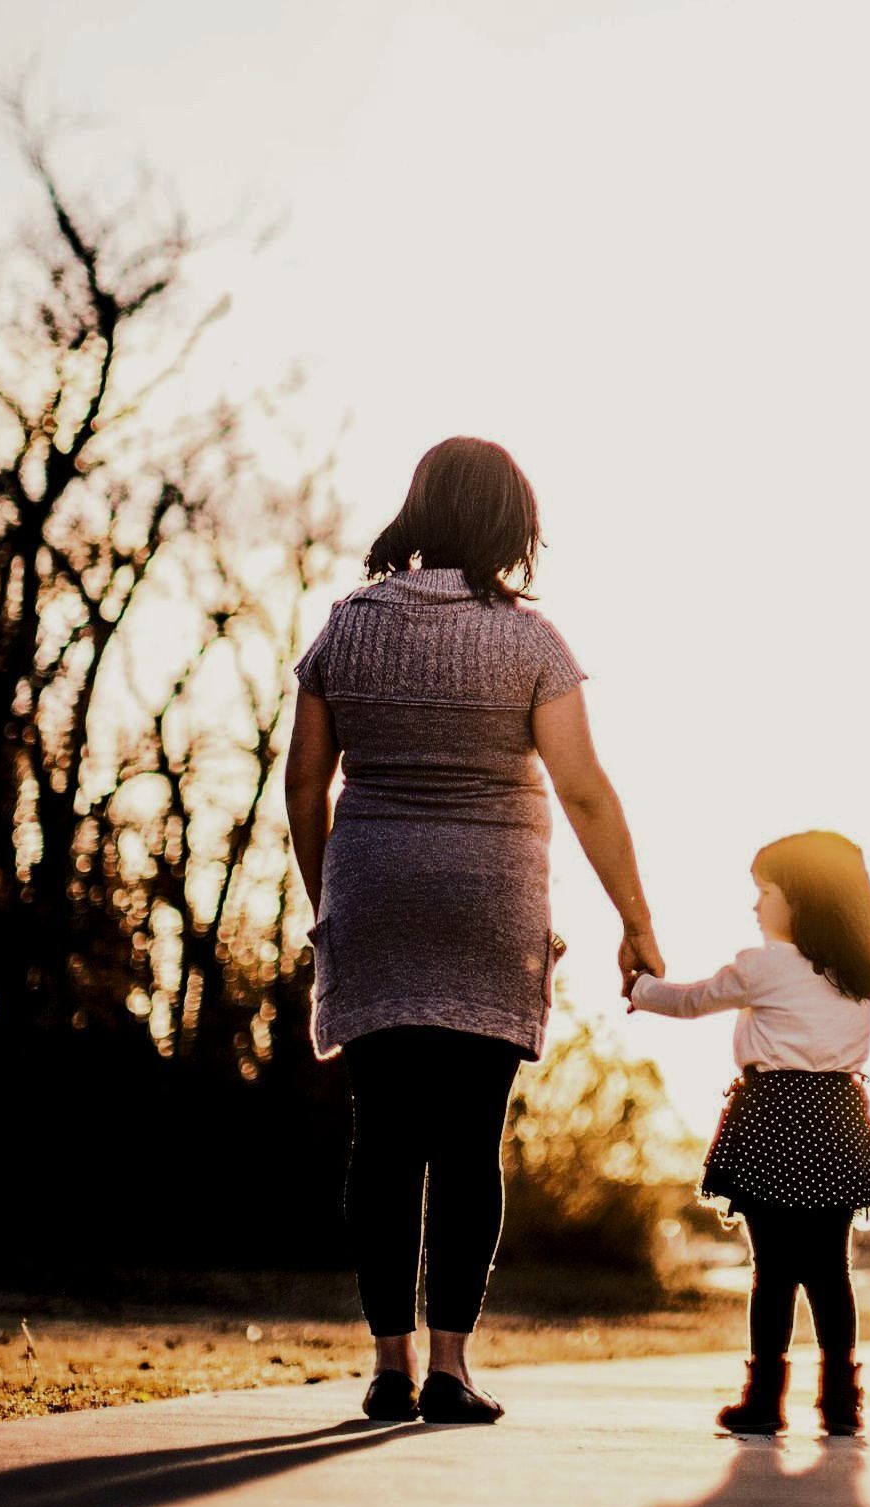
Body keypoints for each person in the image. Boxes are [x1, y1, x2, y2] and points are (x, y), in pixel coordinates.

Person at [285, 436, 663, 1426]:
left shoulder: (346, 626)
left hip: (374, 900)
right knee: (467, 1142)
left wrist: (331, 900)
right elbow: (584, 791)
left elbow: (305, 781)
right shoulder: (531, 642)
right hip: (490, 911)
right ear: (509, 525)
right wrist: (635, 920)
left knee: (381, 1140)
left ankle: (389, 1365)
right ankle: (450, 1368)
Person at [629, 831, 870, 1437]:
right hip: (835, 1122)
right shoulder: (862, 966)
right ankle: (841, 1402)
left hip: (770, 1119)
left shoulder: (762, 965)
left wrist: (639, 988)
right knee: (831, 1270)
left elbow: (690, 1001)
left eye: (765, 892)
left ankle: (764, 1400)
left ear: (799, 898)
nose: (755, 905)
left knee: (772, 1270)